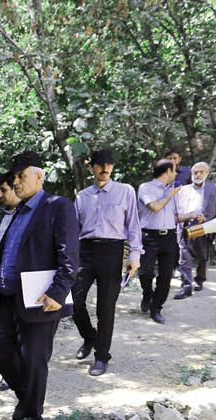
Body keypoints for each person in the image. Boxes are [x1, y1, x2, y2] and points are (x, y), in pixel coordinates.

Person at [0, 151, 79, 420]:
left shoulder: (57, 206)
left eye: (21, 176)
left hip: (40, 297)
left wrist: (58, 291)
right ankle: (28, 398)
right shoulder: (17, 213)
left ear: (39, 176)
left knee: (34, 360)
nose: (16, 182)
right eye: (14, 177)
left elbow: (69, 255)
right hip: (8, 297)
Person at [70, 148, 141, 377]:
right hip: (85, 251)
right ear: (91, 168)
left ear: (112, 167)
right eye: (100, 165)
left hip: (112, 250)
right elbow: (73, 230)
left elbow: (133, 225)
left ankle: (101, 356)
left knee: (105, 307)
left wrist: (135, 256)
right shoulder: (82, 196)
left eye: (108, 164)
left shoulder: (125, 191)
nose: (104, 168)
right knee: (74, 301)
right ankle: (89, 336)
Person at [137, 160, 182, 324]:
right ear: (168, 171)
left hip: (169, 237)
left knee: (166, 275)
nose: (176, 174)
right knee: (145, 272)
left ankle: (156, 308)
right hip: (149, 237)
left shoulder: (173, 190)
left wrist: (192, 216)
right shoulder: (146, 188)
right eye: (174, 171)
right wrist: (169, 195)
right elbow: (155, 207)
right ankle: (147, 294)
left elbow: (174, 216)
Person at [173, 161, 216, 299]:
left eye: (201, 172)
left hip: (204, 227)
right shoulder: (182, 190)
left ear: (207, 174)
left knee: (203, 257)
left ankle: (200, 279)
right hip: (186, 226)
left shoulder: (215, 188)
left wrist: (215, 224)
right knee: (184, 257)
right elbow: (176, 210)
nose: (197, 175)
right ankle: (186, 287)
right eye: (195, 172)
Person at [0, 173, 20, 391]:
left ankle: (20, 381)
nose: (0, 195)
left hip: (20, 286)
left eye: (4, 190)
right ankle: (11, 374)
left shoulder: (27, 217)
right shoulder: (0, 217)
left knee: (19, 336)